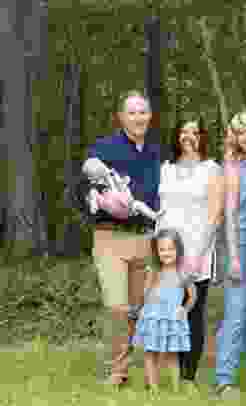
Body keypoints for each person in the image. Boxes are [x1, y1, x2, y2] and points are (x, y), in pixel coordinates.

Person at [155, 115, 240, 391]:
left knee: (191, 311)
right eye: (183, 131)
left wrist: (198, 255)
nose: (188, 136)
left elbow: (216, 215)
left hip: (197, 251)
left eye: (194, 132)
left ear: (203, 137)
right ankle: (170, 373)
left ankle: (189, 376)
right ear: (176, 136)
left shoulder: (211, 169)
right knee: (168, 311)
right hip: (166, 252)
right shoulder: (166, 168)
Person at [86, 90, 160, 388]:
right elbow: (84, 186)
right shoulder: (103, 148)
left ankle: (130, 366)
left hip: (146, 238)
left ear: (150, 116)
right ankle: (117, 370)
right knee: (116, 307)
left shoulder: (158, 152)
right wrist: (102, 203)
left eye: (143, 112)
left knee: (136, 309)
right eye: (132, 112)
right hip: (110, 239)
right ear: (121, 117)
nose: (138, 117)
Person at [215, 111, 246, 396]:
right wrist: (234, 257)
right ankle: (225, 378)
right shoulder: (233, 167)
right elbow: (230, 216)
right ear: (234, 137)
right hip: (240, 246)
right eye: (241, 132)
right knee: (236, 313)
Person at [133, 229, 195, 395]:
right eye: (162, 249)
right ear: (157, 252)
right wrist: (145, 304)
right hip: (154, 316)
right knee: (150, 351)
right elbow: (146, 292)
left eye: (170, 249)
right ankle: (154, 389)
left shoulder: (183, 273)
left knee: (172, 354)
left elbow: (192, 296)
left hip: (173, 318)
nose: (166, 253)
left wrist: (185, 309)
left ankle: (175, 389)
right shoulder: (154, 271)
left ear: (178, 250)